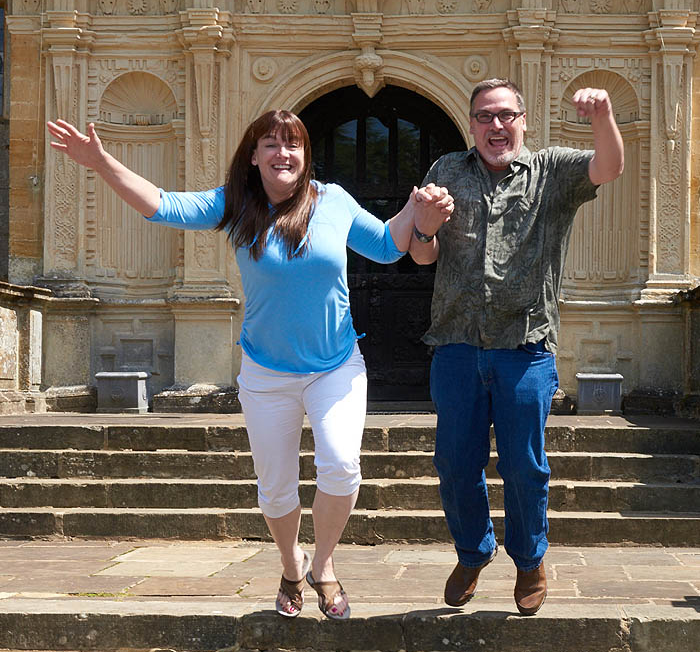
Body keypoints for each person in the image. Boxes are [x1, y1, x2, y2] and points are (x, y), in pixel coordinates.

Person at [48, 110, 453, 620]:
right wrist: (101, 162)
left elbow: (388, 247)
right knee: (276, 488)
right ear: (255, 154)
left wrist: (416, 215)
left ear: (305, 156)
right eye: (271, 144)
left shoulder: (332, 201)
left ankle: (324, 566)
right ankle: (291, 564)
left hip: (335, 366)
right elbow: (163, 206)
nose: (283, 154)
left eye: (293, 145)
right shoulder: (235, 204)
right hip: (266, 374)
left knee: (342, 465)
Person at [409, 78, 624, 615]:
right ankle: (473, 551)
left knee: (525, 465)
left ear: (522, 120)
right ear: (472, 123)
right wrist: (426, 229)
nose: (495, 126)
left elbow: (609, 167)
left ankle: (529, 561)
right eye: (484, 116)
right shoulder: (446, 171)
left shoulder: (552, 171)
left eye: (506, 115)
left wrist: (602, 115)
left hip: (525, 346)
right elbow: (421, 256)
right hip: (457, 344)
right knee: (455, 463)